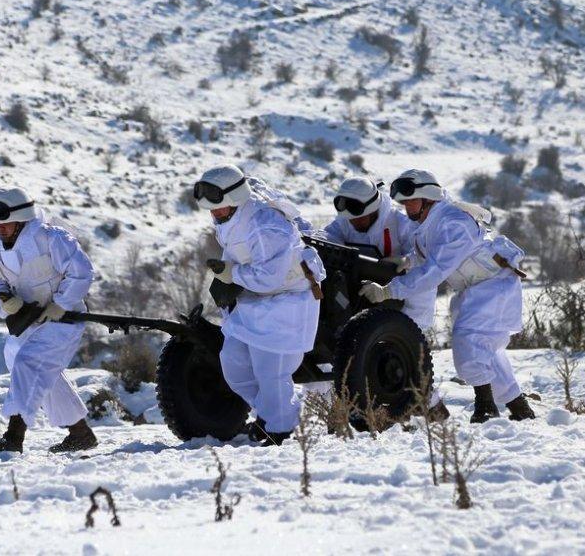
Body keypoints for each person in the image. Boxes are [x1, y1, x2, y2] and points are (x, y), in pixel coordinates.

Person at [359, 169, 535, 423]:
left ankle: (485, 405)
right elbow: (428, 255)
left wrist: (389, 290)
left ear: (428, 196)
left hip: (492, 286)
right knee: (485, 349)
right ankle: (519, 407)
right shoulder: (429, 221)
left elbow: (436, 270)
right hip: (474, 289)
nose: (407, 208)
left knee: (469, 341)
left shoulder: (453, 222)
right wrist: (407, 261)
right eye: (404, 203)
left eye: (411, 201)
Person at [194, 165, 325, 446]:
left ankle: (279, 428)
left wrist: (232, 275)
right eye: (212, 209)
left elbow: (269, 276)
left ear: (236, 198)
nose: (214, 214)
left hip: (288, 299)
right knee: (234, 364)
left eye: (219, 207)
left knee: (272, 370)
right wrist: (227, 280)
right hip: (256, 299)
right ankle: (273, 412)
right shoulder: (231, 218)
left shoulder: (266, 225)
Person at [0, 187, 98, 453]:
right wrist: (4, 304)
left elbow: (81, 273)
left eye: (6, 223)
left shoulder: (51, 238)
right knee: (33, 367)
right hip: (27, 322)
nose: (0, 229)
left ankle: (13, 437)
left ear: (21, 218)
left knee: (29, 362)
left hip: (64, 320)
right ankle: (80, 433)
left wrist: (60, 304)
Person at [321, 176, 447, 419]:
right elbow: (327, 237)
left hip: (409, 296)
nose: (354, 222)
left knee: (404, 355)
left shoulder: (399, 223)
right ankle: (362, 412)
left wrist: (405, 261)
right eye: (350, 218)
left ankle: (432, 411)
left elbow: (420, 252)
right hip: (366, 296)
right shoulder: (346, 222)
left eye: (359, 216)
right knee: (356, 352)